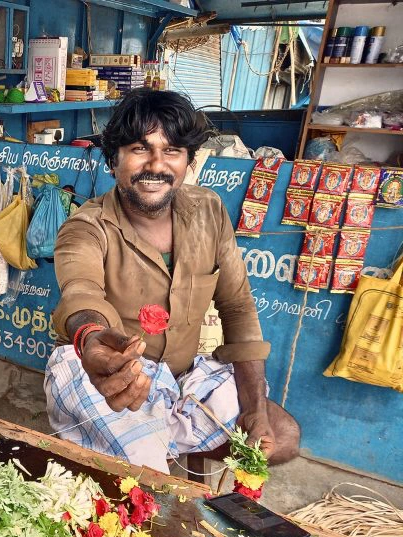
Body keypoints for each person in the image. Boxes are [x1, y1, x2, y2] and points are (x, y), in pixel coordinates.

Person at [45, 89, 300, 474]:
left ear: (188, 162)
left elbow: (237, 307)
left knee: (280, 435)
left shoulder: (208, 210)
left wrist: (254, 410)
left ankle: (147, 440)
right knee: (147, 478)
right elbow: (81, 292)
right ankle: (137, 449)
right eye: (139, 149)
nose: (156, 165)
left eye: (172, 151)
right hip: (112, 372)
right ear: (113, 161)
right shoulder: (86, 227)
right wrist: (92, 337)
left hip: (184, 377)